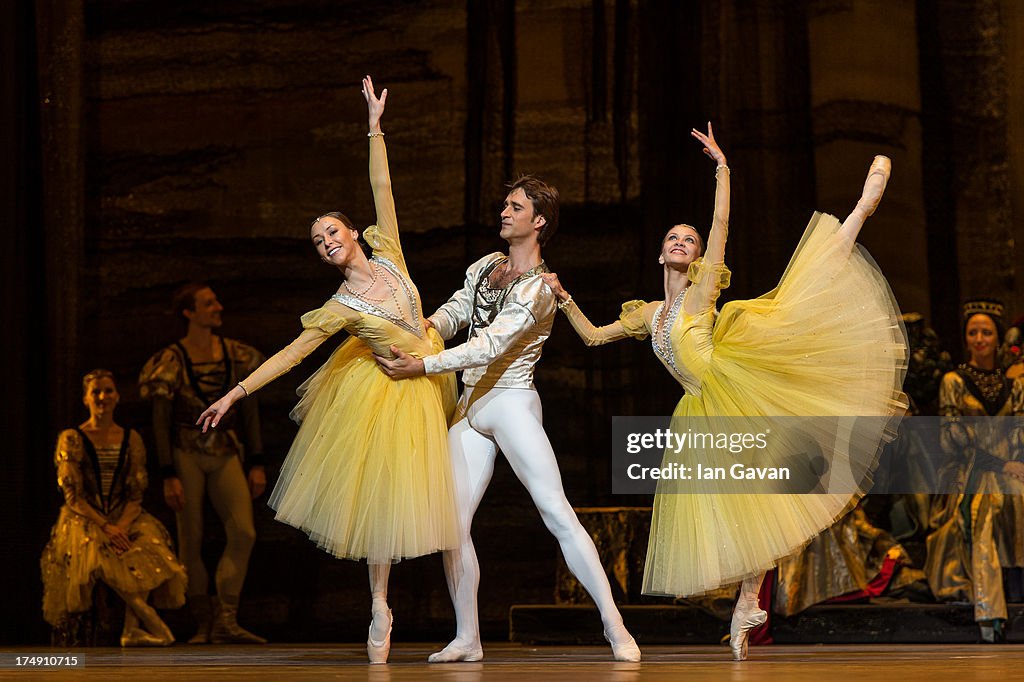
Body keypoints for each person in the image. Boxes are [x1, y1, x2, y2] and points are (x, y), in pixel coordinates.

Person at [542, 123, 907, 660]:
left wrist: (723, 168)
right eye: (675, 238)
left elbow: (722, 222)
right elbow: (595, 337)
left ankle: (859, 211)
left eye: (689, 240)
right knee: (746, 506)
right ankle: (745, 603)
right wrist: (564, 295)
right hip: (700, 408)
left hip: (734, 384)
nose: (684, 242)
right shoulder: (648, 313)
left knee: (799, 295)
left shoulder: (701, 292)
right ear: (661, 253)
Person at [197, 76, 459, 664]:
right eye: (317, 242)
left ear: (351, 231)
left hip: (430, 370)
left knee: (441, 492)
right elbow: (291, 355)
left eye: (331, 232)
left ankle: (459, 624)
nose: (325, 243)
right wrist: (236, 393)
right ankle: (379, 606)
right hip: (386, 391)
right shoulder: (340, 307)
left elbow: (382, 186)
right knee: (384, 499)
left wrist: (374, 126)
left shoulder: (390, 250)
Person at [376, 177, 641, 662]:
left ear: (538, 222)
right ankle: (468, 638)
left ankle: (614, 624)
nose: (504, 212)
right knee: (450, 525)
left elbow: (493, 342)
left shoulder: (539, 288)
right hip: (471, 404)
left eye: (515, 207)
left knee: (556, 513)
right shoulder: (487, 265)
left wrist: (424, 364)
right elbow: (462, 310)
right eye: (504, 204)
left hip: (511, 401)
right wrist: (430, 324)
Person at [139, 282, 268, 644]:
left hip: (225, 449)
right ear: (189, 313)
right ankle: (203, 621)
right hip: (186, 451)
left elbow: (251, 411)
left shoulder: (237, 355)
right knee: (190, 537)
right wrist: (167, 473)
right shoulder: (172, 360)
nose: (217, 308)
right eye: (208, 304)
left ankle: (226, 617)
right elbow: (161, 419)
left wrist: (256, 461)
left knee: (244, 531)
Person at [41, 370, 186, 646]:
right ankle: (152, 621)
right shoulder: (72, 438)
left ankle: (131, 630)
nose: (102, 397)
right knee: (99, 556)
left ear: (117, 396)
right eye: (96, 391)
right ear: (86, 398)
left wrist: (122, 526)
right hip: (85, 518)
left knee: (148, 550)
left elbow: (135, 493)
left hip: (122, 515)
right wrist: (106, 526)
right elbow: (73, 496)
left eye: (108, 391)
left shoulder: (130, 438)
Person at [925, 300, 1024, 643]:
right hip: (968, 471)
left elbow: (1018, 431)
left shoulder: (1015, 384)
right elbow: (953, 438)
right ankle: (989, 610)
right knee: (986, 509)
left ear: (997, 338)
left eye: (986, 332)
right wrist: (1001, 465)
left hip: (1012, 469)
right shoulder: (954, 380)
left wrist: (1017, 463)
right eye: (973, 332)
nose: (979, 338)